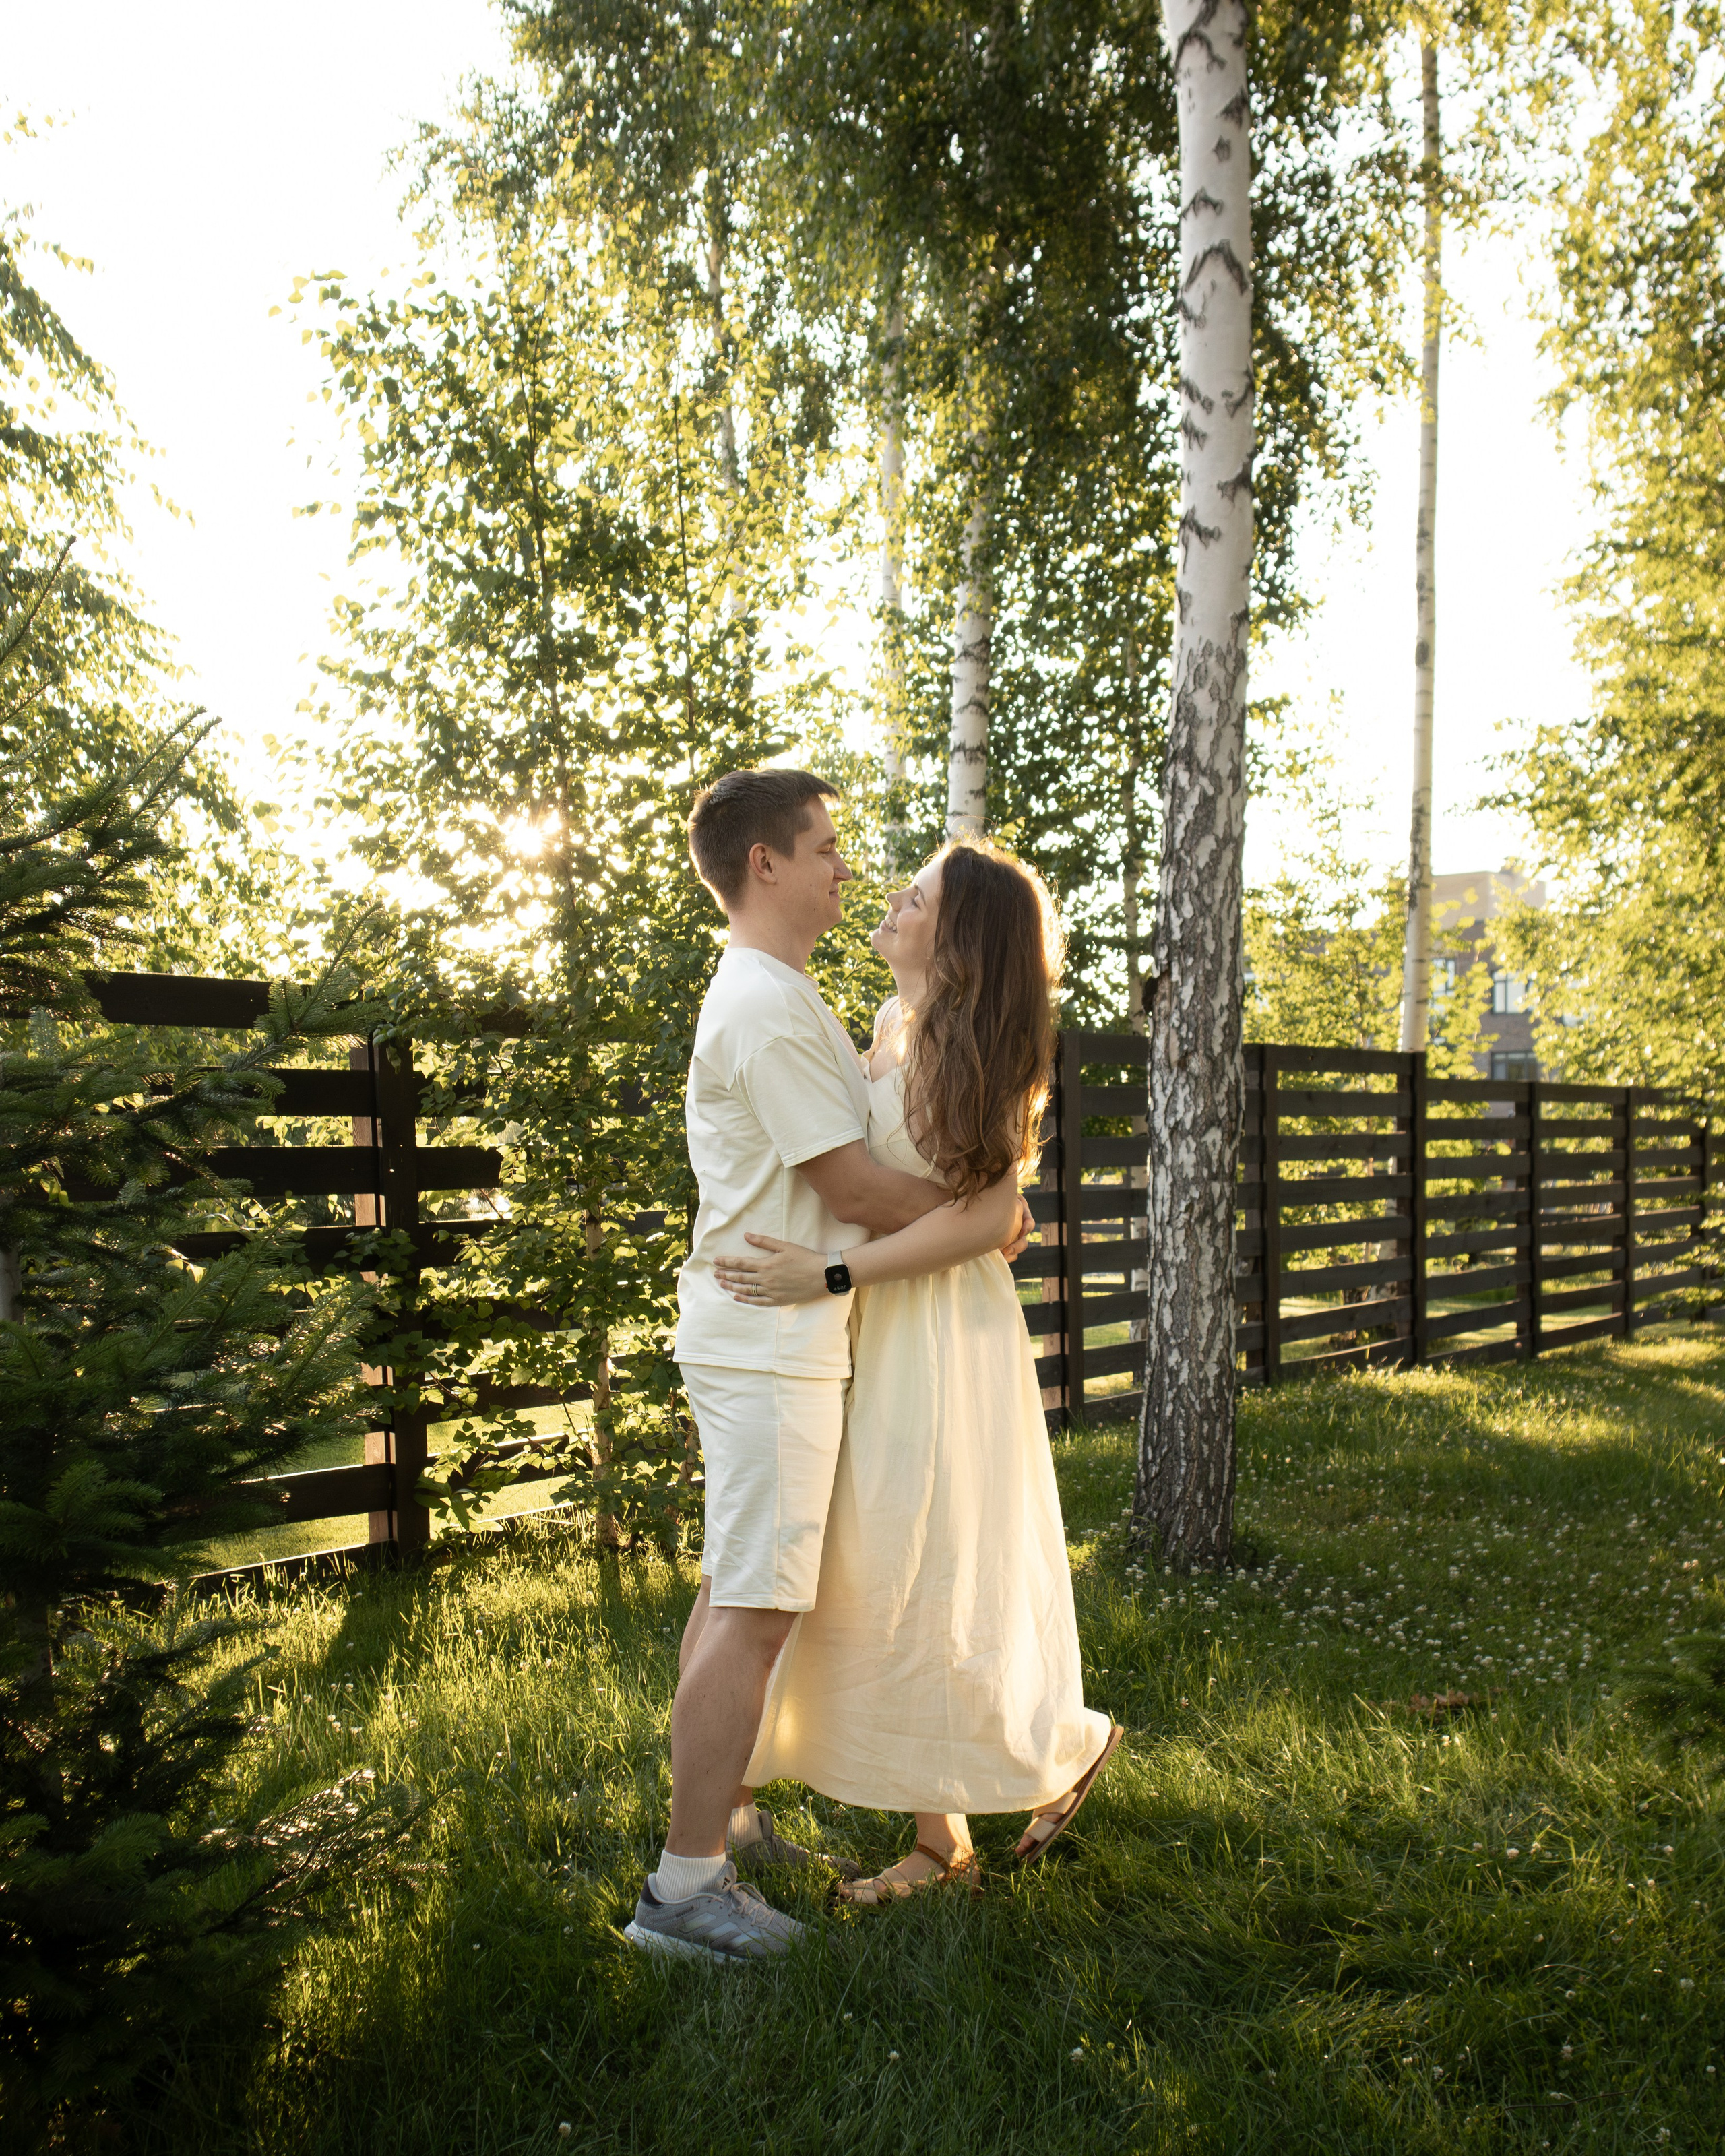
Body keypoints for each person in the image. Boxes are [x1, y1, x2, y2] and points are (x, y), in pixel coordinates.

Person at [623, 771, 1032, 1965]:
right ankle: (685, 1891)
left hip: (770, 1336)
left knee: (731, 1594)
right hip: (770, 1340)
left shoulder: (788, 994)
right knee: (756, 1609)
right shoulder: (764, 1003)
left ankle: (726, 1823)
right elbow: (846, 1188)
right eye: (827, 848)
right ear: (767, 866)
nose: (846, 869)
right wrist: (982, 1213)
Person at [714, 835, 1121, 1901]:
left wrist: (836, 1275)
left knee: (929, 1555)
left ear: (962, 938)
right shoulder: (893, 1027)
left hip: (936, 1330)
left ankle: (1024, 1776)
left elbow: (987, 1215)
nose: (891, 901)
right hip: (875, 1327)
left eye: (917, 895)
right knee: (891, 1561)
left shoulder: (969, 1048)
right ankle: (943, 1830)